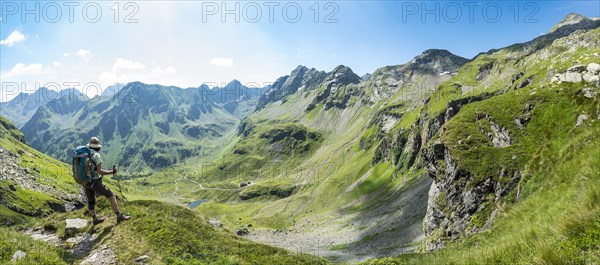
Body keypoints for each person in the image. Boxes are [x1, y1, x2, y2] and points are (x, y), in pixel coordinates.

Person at [84, 137, 130, 224]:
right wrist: (112, 172)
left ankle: (94, 219)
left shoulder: (85, 153)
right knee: (111, 196)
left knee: (91, 200)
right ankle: (119, 216)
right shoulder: (96, 155)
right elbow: (100, 171)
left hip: (85, 181)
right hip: (95, 181)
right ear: (97, 146)